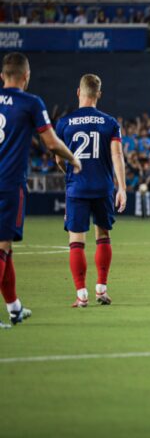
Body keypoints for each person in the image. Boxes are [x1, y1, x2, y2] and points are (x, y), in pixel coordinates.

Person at [0, 52, 81, 327]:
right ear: (26, 76)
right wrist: (73, 158)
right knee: (2, 246)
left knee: (6, 249)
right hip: (8, 184)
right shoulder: (30, 102)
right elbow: (52, 143)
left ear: (2, 76)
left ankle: (14, 308)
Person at [55, 74, 127, 307]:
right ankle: (101, 290)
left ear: (79, 92)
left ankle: (81, 295)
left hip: (77, 187)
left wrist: (68, 169)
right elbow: (117, 155)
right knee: (103, 236)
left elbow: (58, 158)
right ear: (99, 94)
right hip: (103, 186)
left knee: (76, 241)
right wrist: (122, 188)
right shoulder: (110, 123)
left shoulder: (64, 123)